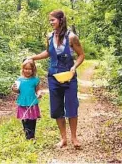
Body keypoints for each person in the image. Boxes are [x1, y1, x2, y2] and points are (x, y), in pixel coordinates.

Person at [25, 10, 85, 148]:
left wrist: (74, 66)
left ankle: (74, 138)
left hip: (69, 77)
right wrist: (33, 57)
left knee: (71, 106)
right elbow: (48, 52)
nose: (50, 23)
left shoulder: (72, 37)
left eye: (52, 20)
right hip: (53, 77)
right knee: (57, 108)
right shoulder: (50, 36)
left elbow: (81, 55)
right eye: (50, 20)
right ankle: (63, 139)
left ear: (61, 20)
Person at [12, 59, 42, 140]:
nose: (27, 71)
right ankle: (27, 135)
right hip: (22, 102)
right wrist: (13, 88)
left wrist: (39, 93)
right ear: (22, 69)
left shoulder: (35, 80)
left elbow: (38, 89)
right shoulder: (19, 80)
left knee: (32, 119)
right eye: (25, 69)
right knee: (25, 119)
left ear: (33, 70)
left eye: (29, 69)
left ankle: (32, 136)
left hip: (32, 103)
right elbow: (17, 91)